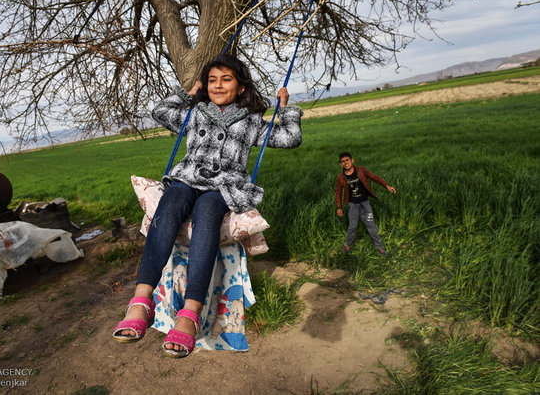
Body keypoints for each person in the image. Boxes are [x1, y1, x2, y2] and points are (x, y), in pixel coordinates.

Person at [112, 55, 303, 357]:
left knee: (207, 213)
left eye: (226, 79)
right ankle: (141, 300)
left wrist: (285, 109)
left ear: (241, 87)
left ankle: (190, 312)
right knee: (170, 201)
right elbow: (160, 111)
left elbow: (290, 138)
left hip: (224, 185)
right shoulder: (195, 112)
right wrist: (187, 94)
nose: (217, 85)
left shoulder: (251, 120)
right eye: (212, 80)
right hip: (187, 178)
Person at [335, 152, 396, 256]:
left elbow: (374, 177)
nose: (346, 163)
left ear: (352, 160)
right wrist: (339, 207)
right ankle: (347, 245)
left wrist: (386, 185)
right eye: (343, 161)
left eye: (347, 160)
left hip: (364, 203)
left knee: (371, 224)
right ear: (341, 164)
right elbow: (338, 192)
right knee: (352, 226)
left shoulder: (361, 170)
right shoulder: (340, 177)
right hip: (352, 204)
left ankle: (379, 247)